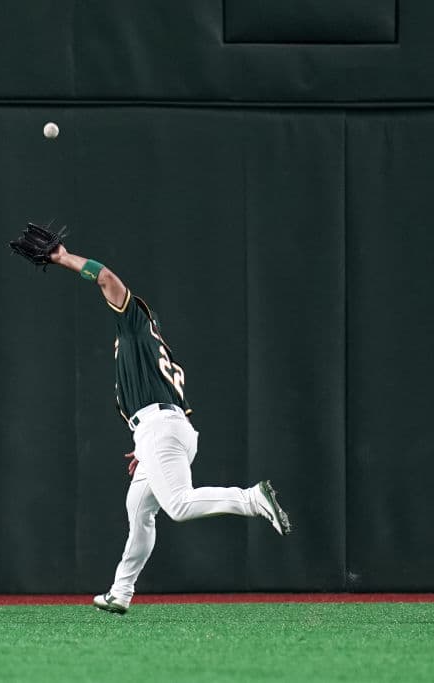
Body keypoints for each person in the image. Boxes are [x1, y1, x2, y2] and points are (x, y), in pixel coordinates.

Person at [47, 243, 292, 615]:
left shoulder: (136, 326)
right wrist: (145, 448)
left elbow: (106, 278)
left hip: (160, 428)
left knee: (177, 504)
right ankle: (121, 591)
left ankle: (252, 499)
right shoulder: (148, 350)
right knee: (140, 510)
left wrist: (65, 260)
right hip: (160, 429)